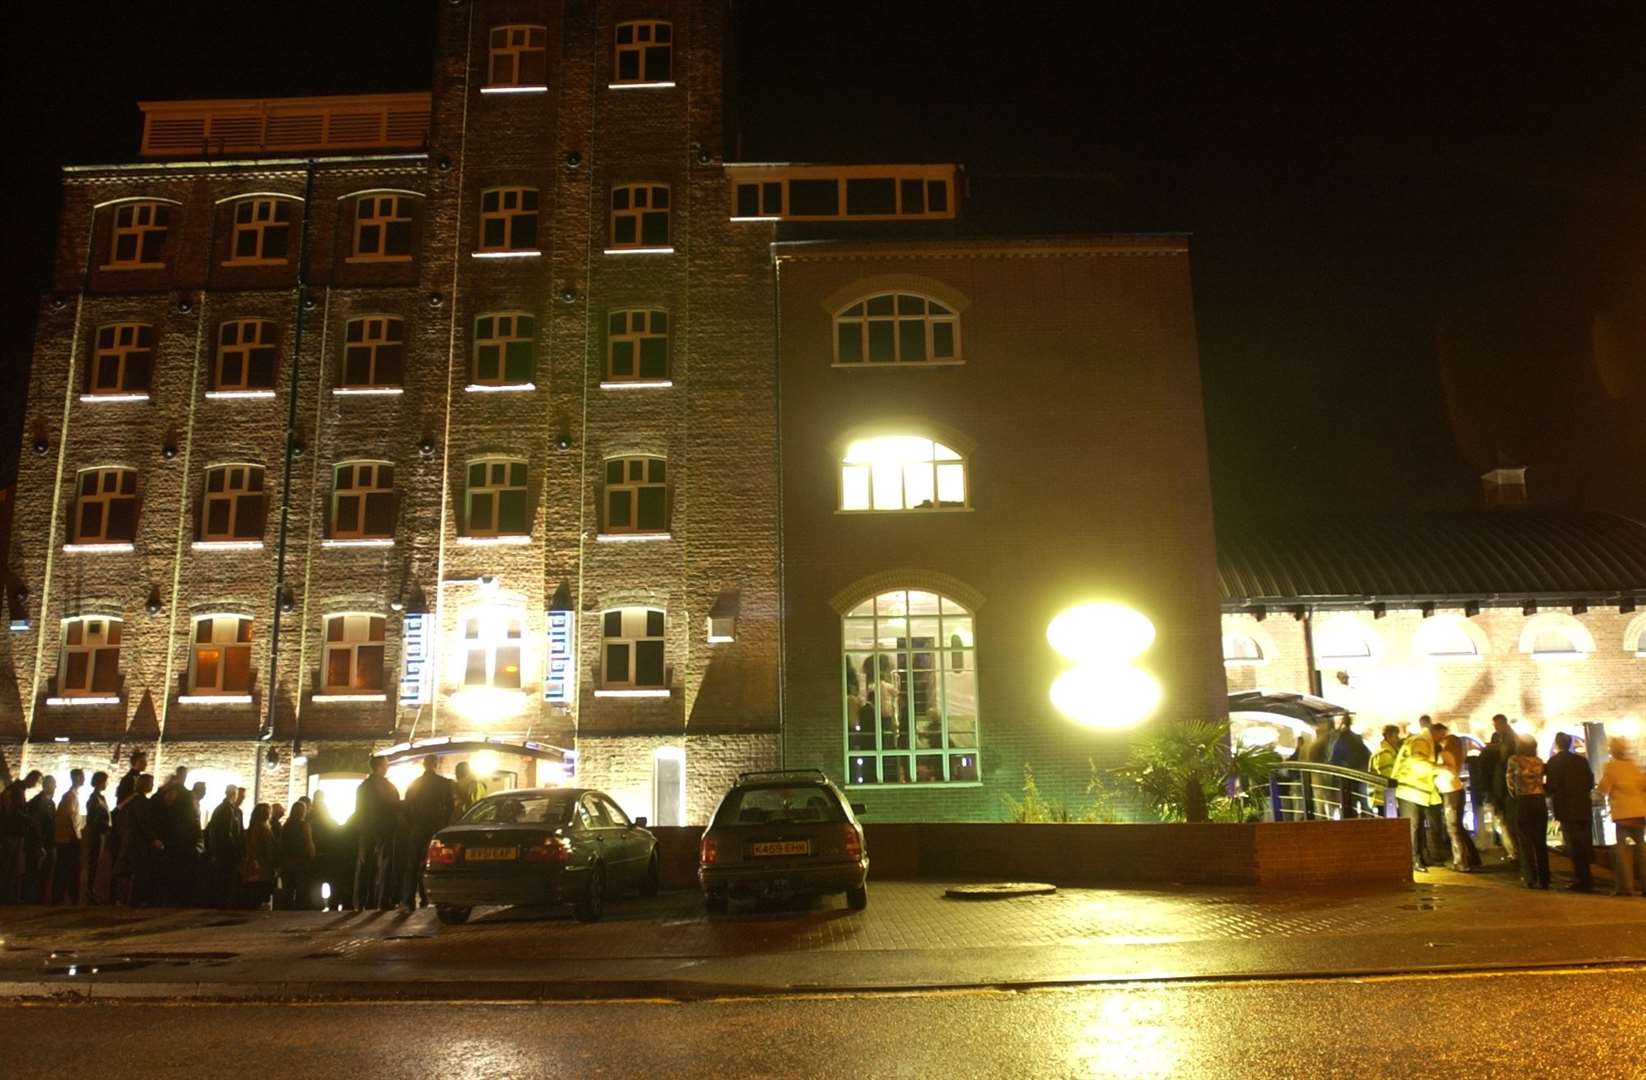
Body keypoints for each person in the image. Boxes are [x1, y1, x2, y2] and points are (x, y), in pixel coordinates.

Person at [1545, 731, 1596, 892]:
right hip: (1583, 807)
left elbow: (1551, 786)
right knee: (1585, 843)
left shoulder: (1553, 762)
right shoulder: (1581, 761)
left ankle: (1582, 879)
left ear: (1557, 744)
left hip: (1566, 808)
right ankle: (1587, 877)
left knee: (1574, 846)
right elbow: (1590, 782)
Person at [403, 756, 457, 909]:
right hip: (436, 828)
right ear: (435, 764)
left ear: (424, 765)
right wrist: (443, 825)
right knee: (433, 863)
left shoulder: (415, 783)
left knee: (413, 864)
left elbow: (407, 807)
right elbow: (450, 807)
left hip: (417, 827)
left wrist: (412, 823)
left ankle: (408, 900)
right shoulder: (444, 784)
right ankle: (427, 897)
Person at [1598, 737, 1646, 897]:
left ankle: (1626, 887)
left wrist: (1597, 792)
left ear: (1612, 750)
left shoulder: (1611, 767)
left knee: (1622, 851)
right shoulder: (1632, 766)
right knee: (1641, 849)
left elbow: (1604, 788)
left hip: (1623, 814)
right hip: (1639, 813)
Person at [353, 757, 401, 911]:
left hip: (366, 830)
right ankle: (382, 901)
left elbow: (359, 810)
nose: (387, 767)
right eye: (386, 764)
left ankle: (359, 903)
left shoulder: (363, 787)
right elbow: (395, 808)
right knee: (384, 866)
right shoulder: (388, 787)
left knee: (363, 866)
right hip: (384, 830)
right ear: (381, 767)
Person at [1431, 723, 1480, 871]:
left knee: (1453, 828)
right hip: (1455, 790)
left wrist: (1434, 769)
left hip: (1450, 792)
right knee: (1457, 827)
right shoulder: (1454, 753)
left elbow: (1449, 771)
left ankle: (1461, 862)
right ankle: (1472, 858)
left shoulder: (1444, 754)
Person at [1506, 734, 1551, 889]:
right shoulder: (1539, 761)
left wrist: (1516, 795)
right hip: (1539, 800)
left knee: (1525, 840)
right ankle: (1544, 878)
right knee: (1540, 841)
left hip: (1523, 800)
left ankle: (1530, 877)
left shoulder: (1514, 760)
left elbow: (1510, 783)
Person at [1391, 728, 1439, 872]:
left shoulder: (1417, 740)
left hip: (1414, 790)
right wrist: (1438, 768)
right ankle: (1415, 859)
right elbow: (1418, 761)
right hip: (1410, 789)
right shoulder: (1421, 741)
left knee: (1417, 826)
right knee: (1414, 826)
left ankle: (1422, 857)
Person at [112, 774, 160, 906]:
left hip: (129, 839)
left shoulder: (132, 800)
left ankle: (122, 900)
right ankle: (132, 900)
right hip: (137, 842)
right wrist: (153, 839)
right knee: (136, 871)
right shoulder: (142, 802)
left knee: (127, 871)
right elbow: (143, 822)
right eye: (151, 783)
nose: (152, 785)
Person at [0, 771, 42, 904]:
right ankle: (7, 897)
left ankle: (8, 897)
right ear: (31, 779)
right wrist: (30, 820)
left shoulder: (15, 789)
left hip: (12, 833)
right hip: (12, 834)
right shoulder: (16, 790)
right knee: (9, 867)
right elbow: (15, 812)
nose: (35, 785)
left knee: (12, 867)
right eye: (36, 782)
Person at [1486, 715, 1519, 860]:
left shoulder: (1510, 741)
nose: (1495, 728)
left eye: (1497, 725)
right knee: (1506, 820)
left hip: (1505, 788)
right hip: (1502, 787)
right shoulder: (1502, 738)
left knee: (1506, 820)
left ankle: (1514, 852)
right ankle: (1514, 851)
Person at [204, 786, 244, 908]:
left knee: (224, 881)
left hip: (222, 853)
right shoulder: (227, 810)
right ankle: (222, 905)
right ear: (234, 794)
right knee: (225, 881)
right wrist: (235, 851)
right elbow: (227, 833)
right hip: (226, 854)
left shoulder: (224, 809)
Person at [51, 768, 85, 904]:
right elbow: (70, 818)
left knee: (67, 869)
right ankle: (60, 898)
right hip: (67, 840)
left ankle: (64, 898)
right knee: (66, 869)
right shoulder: (70, 796)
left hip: (68, 839)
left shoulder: (73, 795)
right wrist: (76, 837)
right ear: (77, 778)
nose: (84, 780)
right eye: (82, 777)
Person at [24, 774, 59, 904]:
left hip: (48, 844)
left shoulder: (50, 803)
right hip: (40, 845)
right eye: (53, 784)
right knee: (34, 873)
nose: (55, 787)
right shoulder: (39, 802)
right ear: (47, 785)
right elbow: (36, 825)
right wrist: (40, 845)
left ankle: (38, 899)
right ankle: (31, 900)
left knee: (44, 874)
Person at [1329, 716, 1371, 817]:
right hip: (1358, 775)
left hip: (1345, 777)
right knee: (1362, 801)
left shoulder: (1338, 738)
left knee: (1349, 803)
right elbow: (1366, 754)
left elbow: (1335, 758)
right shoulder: (1356, 738)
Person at [280, 799, 317, 909]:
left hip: (287, 862)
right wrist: (312, 855)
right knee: (301, 892)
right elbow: (308, 842)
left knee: (288, 892)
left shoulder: (286, 826)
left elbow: (282, 844)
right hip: (301, 862)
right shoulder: (304, 825)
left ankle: (285, 914)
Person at [240, 804, 277, 909]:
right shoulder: (262, 828)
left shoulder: (256, 827)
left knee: (256, 891)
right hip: (261, 865)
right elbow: (264, 847)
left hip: (257, 864)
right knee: (259, 891)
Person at [82, 771, 111, 904]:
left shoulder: (100, 798)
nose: (107, 784)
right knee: (94, 862)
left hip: (101, 833)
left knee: (96, 863)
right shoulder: (94, 799)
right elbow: (92, 820)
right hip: (96, 834)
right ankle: (89, 891)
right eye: (105, 781)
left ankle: (92, 890)